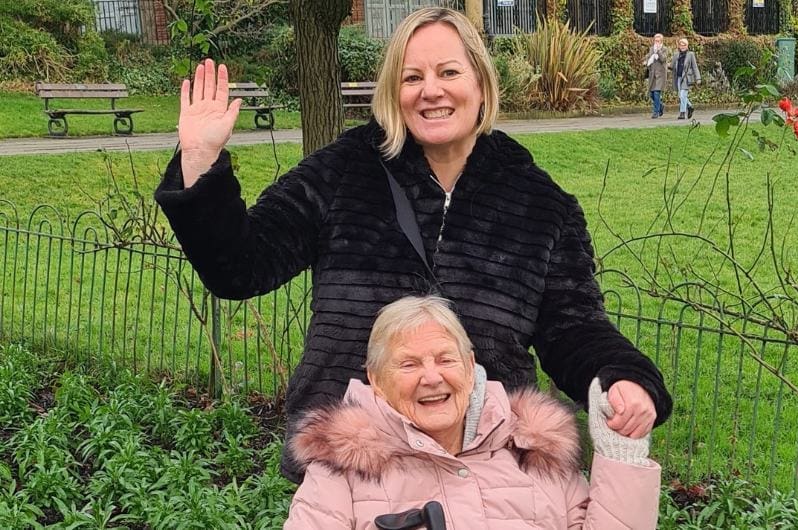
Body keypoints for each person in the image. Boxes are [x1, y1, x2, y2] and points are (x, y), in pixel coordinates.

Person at [154, 7, 673, 483]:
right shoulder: (344, 171)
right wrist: (201, 163)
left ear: (481, 85)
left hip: (487, 467)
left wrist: (623, 375)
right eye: (412, 77)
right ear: (393, 92)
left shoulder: (541, 204)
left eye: (449, 72)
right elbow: (240, 267)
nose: (431, 91)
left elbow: (572, 325)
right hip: (353, 462)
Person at [284, 296, 662, 529]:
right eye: (409, 365)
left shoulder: (534, 451)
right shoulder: (341, 471)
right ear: (376, 380)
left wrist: (621, 457)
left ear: (470, 366)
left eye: (445, 359)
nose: (432, 377)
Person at [671, 38, 701, 120]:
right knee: (680, 96)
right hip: (678, 77)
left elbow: (695, 67)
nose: (682, 46)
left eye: (684, 45)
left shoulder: (690, 54)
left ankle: (682, 113)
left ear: (687, 46)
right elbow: (672, 66)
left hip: (686, 78)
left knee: (683, 95)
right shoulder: (676, 54)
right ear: (679, 46)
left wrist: (698, 78)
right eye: (681, 44)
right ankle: (690, 106)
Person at [643, 33, 669, 119]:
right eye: (655, 40)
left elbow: (663, 59)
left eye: (658, 41)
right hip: (652, 74)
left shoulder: (664, 49)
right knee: (651, 94)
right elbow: (648, 56)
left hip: (660, 75)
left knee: (657, 93)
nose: (656, 42)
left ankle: (656, 112)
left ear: (661, 41)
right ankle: (660, 106)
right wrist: (646, 61)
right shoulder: (651, 49)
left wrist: (658, 50)